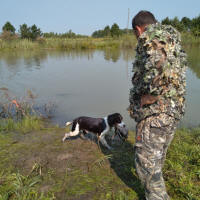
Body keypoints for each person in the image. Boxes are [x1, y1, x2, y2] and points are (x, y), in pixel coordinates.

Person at [129, 11, 187, 200]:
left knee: (146, 165)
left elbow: (159, 70)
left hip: (157, 113)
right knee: (156, 158)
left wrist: (148, 97)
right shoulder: (171, 37)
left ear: (138, 29)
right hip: (173, 108)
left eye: (135, 34)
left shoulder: (152, 38)